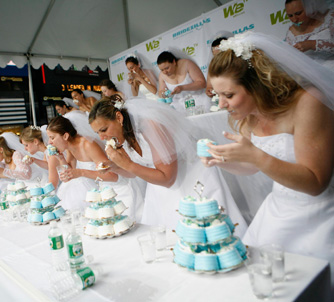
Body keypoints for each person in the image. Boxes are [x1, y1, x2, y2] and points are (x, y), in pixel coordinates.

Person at [201, 32, 334, 290]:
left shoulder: (308, 102)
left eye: (228, 94)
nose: (221, 104)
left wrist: (256, 156)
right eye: (217, 95)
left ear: (257, 84)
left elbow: (316, 183)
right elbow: (251, 167)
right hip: (277, 212)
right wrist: (222, 159)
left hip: (320, 216)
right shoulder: (249, 115)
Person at [89, 96, 247, 231]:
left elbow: (168, 178)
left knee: (205, 235)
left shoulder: (151, 126)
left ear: (119, 118)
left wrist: (127, 164)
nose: (102, 137)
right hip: (158, 186)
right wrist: (117, 166)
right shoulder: (122, 137)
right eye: (98, 133)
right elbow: (134, 172)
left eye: (104, 129)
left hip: (192, 180)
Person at [285, 0, 334, 68]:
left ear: (310, 7)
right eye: (290, 16)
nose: (295, 19)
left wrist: (312, 44)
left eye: (298, 13)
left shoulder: (330, 18)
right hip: (312, 75)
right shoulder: (291, 32)